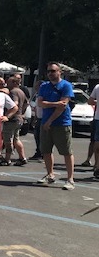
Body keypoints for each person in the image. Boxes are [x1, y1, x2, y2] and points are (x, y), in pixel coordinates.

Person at [36, 62, 76, 190]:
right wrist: (55, 103)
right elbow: (40, 103)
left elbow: (63, 107)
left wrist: (49, 121)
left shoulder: (66, 85)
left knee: (66, 152)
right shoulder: (44, 86)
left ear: (60, 72)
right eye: (48, 71)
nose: (50, 73)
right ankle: (50, 174)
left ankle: (70, 179)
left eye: (53, 71)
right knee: (46, 151)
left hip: (61, 123)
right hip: (46, 123)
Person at [0, 76, 28, 166]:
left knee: (8, 140)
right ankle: (22, 157)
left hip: (12, 119)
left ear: (15, 83)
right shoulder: (21, 91)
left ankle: (7, 159)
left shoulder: (14, 92)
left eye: (9, 82)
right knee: (16, 139)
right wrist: (22, 113)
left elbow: (15, 103)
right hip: (19, 118)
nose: (7, 84)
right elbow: (26, 103)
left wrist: (8, 114)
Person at [87, 84, 99, 179]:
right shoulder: (98, 87)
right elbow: (90, 101)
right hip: (98, 119)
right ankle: (97, 166)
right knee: (97, 142)